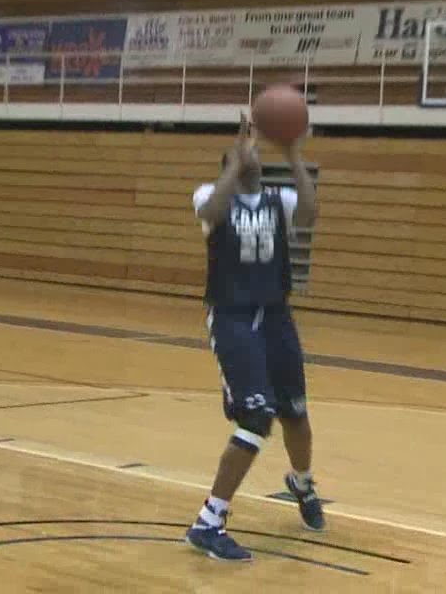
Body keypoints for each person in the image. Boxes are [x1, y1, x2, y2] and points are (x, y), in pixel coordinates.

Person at [185, 113, 323, 562]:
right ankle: (209, 521)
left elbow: (309, 213)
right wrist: (235, 164)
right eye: (246, 154)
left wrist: (293, 152)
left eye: (257, 154)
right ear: (229, 163)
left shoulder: (277, 199)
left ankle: (301, 483)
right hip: (233, 318)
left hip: (277, 317)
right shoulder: (210, 195)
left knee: (296, 416)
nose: (253, 158)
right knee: (256, 417)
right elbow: (209, 212)